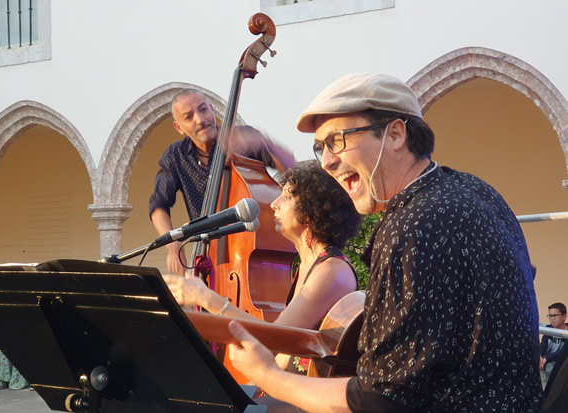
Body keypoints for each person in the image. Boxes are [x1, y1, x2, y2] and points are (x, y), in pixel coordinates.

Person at [226, 73, 543, 411]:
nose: (327, 162)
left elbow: (381, 400)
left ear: (395, 134)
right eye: (320, 148)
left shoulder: (411, 224)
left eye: (336, 140)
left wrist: (269, 376)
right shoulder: (476, 191)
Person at [163, 160, 360, 374]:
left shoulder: (331, 271)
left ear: (315, 208)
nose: (275, 203)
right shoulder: (307, 265)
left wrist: (206, 298)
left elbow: (274, 339)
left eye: (287, 196)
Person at [149, 89, 295, 276]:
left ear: (212, 109)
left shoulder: (243, 139)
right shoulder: (175, 155)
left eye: (203, 110)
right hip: (207, 257)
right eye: (189, 117)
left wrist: (264, 142)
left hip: (251, 253)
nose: (200, 120)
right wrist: (173, 245)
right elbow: (158, 204)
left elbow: (291, 168)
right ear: (179, 128)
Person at [540, 302, 568, 389]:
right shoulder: (548, 329)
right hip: (546, 361)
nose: (552, 319)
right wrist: (540, 356)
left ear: (564, 316)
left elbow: (562, 351)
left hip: (561, 363)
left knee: (550, 368)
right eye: (550, 316)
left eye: (555, 316)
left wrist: (546, 359)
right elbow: (543, 344)